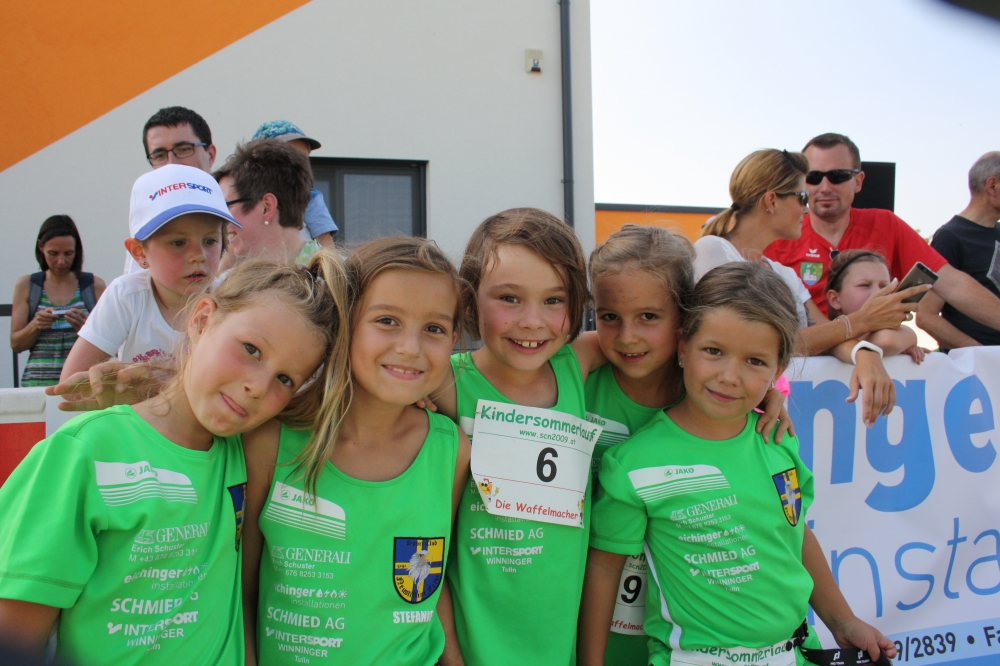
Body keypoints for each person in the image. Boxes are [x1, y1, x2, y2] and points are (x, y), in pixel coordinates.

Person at [0, 251, 352, 665]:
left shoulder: (251, 452)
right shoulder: (83, 452)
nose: (258, 387)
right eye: (251, 349)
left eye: (285, 379)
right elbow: (14, 640)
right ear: (201, 320)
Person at [579, 262, 897, 666]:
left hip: (796, 654)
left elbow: (794, 532)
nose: (730, 377)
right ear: (683, 348)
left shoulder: (778, 440)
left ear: (778, 368)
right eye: (713, 352)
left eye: (755, 361)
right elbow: (603, 571)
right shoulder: (633, 464)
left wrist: (843, 620)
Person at [240, 237, 470, 665]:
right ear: (345, 322)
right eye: (387, 320)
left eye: (434, 329)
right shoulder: (270, 442)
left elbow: (433, 588)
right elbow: (241, 590)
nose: (410, 347)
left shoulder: (452, 451)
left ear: (454, 338)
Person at [424, 208, 610, 665]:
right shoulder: (444, 383)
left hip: (557, 646)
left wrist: (768, 389)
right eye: (509, 298)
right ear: (470, 303)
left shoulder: (577, 362)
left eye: (554, 300)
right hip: (471, 646)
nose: (532, 321)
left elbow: (668, 342)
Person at [696, 149, 928, 427]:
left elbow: (827, 335)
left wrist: (864, 353)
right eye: (803, 197)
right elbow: (762, 344)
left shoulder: (784, 273)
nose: (807, 209)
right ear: (772, 200)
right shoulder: (713, 250)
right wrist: (863, 320)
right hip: (721, 417)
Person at [764, 133, 1000, 337]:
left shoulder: (885, 224)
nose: (825, 187)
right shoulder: (781, 234)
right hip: (808, 361)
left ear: (858, 181)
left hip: (876, 353)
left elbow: (953, 284)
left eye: (838, 176)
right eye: (814, 177)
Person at [61, 164, 235, 379]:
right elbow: (70, 383)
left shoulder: (232, 297)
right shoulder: (127, 297)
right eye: (178, 242)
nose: (198, 255)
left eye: (210, 241)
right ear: (139, 252)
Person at [11, 215, 105, 386]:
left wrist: (86, 330)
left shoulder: (94, 286)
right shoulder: (27, 286)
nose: (61, 261)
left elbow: (111, 345)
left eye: (68, 253)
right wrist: (35, 325)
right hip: (37, 386)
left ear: (76, 250)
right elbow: (16, 344)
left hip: (80, 387)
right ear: (41, 247)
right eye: (53, 253)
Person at [918, 152, 1000, 349]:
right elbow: (926, 315)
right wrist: (979, 355)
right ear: (992, 186)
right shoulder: (949, 237)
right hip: (976, 366)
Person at [125, 106, 219, 274]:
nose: (172, 163)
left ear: (210, 155)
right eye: (160, 155)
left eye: (184, 149)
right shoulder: (147, 221)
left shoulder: (241, 209)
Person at [215, 139, 317, 269]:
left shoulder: (334, 277)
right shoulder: (231, 280)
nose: (219, 217)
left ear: (267, 207)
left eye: (227, 206)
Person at [826, 250, 927, 363]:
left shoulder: (895, 334)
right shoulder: (825, 340)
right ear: (835, 300)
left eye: (884, 286)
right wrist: (904, 342)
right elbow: (888, 340)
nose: (877, 292)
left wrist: (905, 346)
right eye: (864, 285)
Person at [251, 120, 338, 247]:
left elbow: (327, 246)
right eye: (288, 158)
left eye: (303, 160)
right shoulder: (240, 198)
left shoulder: (308, 198)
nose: (298, 166)